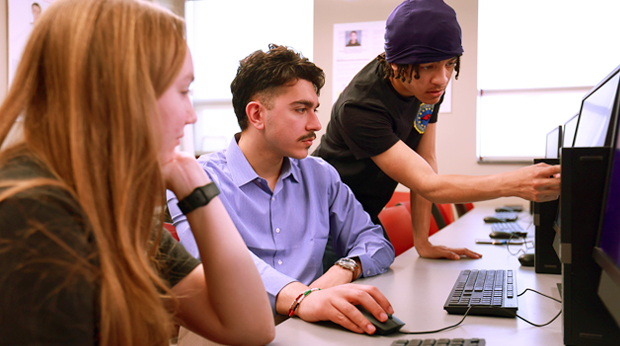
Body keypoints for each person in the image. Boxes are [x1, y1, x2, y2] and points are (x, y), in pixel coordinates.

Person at [0, 1, 274, 345]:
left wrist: (196, 188)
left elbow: (249, 327)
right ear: (122, 92)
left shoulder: (105, 199)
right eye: (183, 91)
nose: (191, 115)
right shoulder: (32, 211)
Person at [167, 44, 396, 335]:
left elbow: (374, 241)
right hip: (227, 329)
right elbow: (219, 265)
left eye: (314, 109)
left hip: (311, 322)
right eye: (301, 109)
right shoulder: (196, 179)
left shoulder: (320, 175)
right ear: (257, 115)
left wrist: (345, 268)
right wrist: (299, 297)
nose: (315, 124)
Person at [314, 0, 561, 261]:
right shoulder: (361, 107)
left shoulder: (427, 90)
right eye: (428, 66)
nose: (442, 78)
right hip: (323, 219)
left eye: (450, 64)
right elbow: (427, 184)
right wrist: (513, 183)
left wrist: (423, 242)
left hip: (362, 214)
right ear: (396, 64)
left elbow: (426, 161)